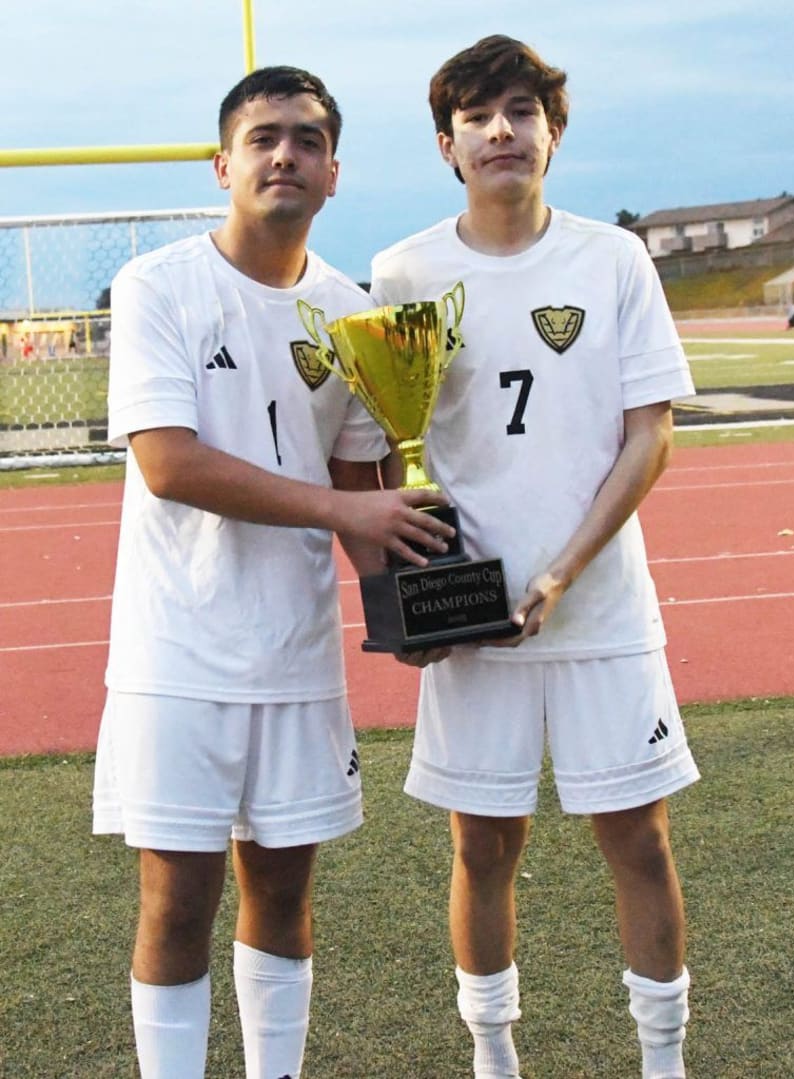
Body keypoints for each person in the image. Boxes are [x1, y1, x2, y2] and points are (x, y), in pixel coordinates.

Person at [92, 65, 453, 1079]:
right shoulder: (159, 283)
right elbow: (167, 463)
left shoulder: (351, 314)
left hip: (295, 657)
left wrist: (431, 595)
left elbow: (363, 490)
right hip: (178, 653)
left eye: (304, 139)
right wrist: (347, 505)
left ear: (333, 171)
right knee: (177, 898)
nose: (283, 154)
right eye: (262, 138)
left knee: (284, 894)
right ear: (223, 164)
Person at [370, 35, 700, 1079]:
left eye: (520, 110)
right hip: (474, 624)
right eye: (476, 115)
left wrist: (564, 566)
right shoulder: (406, 270)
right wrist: (413, 597)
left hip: (598, 608)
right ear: (445, 143)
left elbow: (648, 432)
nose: (500, 130)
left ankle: (662, 1059)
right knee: (481, 846)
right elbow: (388, 453)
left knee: (636, 838)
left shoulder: (611, 258)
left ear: (553, 132)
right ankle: (492, 1057)